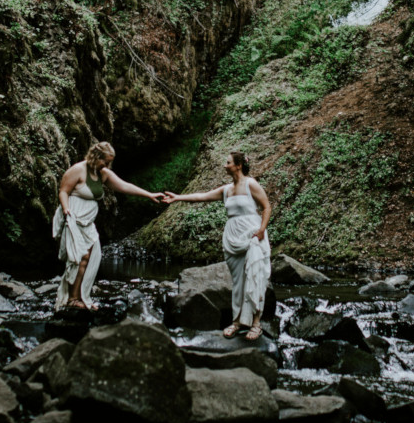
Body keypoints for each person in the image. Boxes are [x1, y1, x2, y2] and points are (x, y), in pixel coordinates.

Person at [164, 151, 271, 340]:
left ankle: (256, 324)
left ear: (238, 165)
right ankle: (237, 322)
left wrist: (262, 230)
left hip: (252, 236)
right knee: (238, 283)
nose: (224, 165)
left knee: (255, 277)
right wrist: (177, 198)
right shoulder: (226, 190)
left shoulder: (251, 184)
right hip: (232, 238)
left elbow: (266, 207)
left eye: (228, 162)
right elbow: (202, 197)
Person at [55, 141, 162, 311]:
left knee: (89, 259)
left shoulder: (103, 174)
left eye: (109, 162)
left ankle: (80, 296)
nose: (107, 165)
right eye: (105, 161)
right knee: (79, 259)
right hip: (73, 218)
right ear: (95, 157)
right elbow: (63, 191)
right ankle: (72, 299)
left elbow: (124, 186)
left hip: (87, 223)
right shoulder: (77, 170)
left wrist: (149, 195)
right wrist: (66, 209)